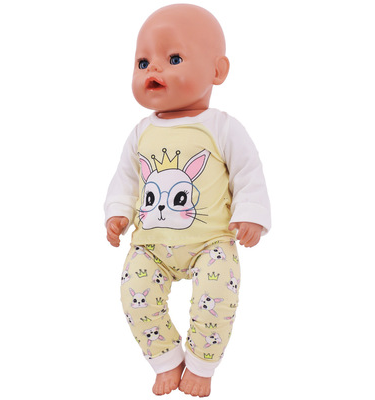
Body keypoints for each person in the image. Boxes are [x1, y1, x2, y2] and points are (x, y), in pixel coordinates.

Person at [104, 4, 271, 397]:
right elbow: (126, 179)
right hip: (150, 245)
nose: (153, 70)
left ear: (218, 71)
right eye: (143, 62)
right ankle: (166, 358)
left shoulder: (221, 127)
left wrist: (251, 214)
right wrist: (118, 213)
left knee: (218, 298)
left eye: (173, 58)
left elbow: (248, 172)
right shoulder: (141, 132)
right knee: (134, 295)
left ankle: (201, 364)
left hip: (211, 242)